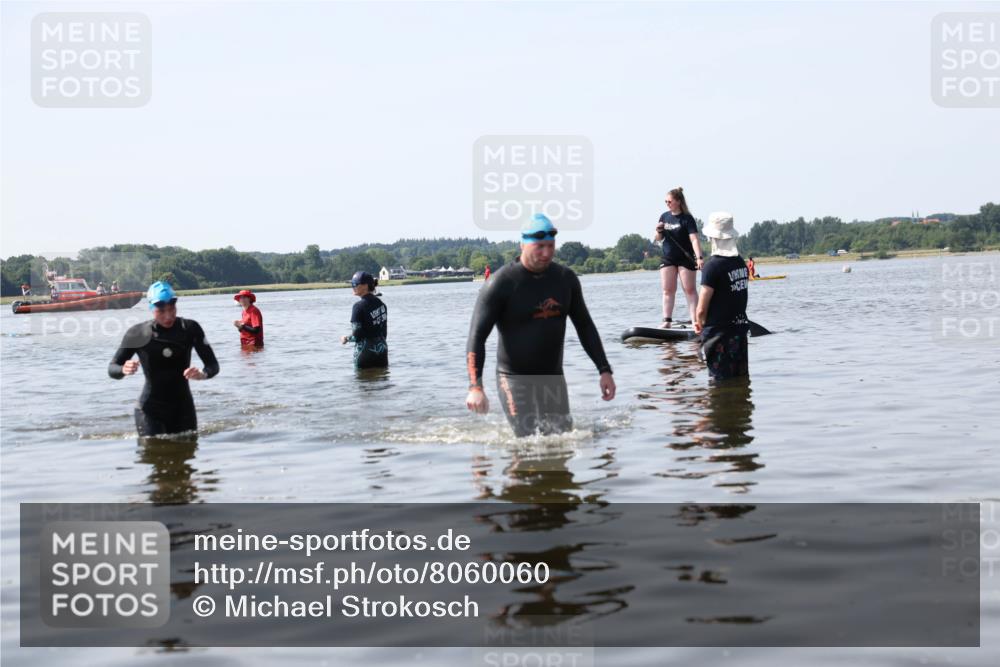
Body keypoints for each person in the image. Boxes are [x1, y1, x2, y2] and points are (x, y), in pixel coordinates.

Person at [465, 213, 616, 437]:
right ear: (523, 245)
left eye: (551, 246)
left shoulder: (565, 279)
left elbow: (585, 326)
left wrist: (604, 370)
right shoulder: (501, 283)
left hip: (552, 377)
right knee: (525, 439)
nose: (546, 253)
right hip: (512, 378)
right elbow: (477, 336)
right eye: (539, 247)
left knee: (562, 439)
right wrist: (476, 387)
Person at [108, 281, 219, 437]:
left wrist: (202, 374)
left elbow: (213, 365)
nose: (168, 316)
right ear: (151, 308)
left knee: (188, 450)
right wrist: (123, 369)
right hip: (149, 410)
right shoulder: (138, 333)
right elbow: (112, 368)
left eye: (172, 308)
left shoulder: (190, 328)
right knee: (154, 448)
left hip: (183, 409)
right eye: (161, 311)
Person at [693, 212, 750, 381]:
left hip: (718, 337)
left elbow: (701, 308)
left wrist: (699, 323)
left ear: (713, 238)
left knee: (719, 384)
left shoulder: (712, 266)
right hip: (739, 333)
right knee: (741, 381)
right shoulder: (740, 263)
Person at [654, 187, 703, 328]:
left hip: (685, 258)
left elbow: (694, 239)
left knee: (689, 290)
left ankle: (695, 321)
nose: (667, 204)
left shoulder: (687, 218)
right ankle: (667, 321)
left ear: (678, 201)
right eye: (665, 201)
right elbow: (658, 238)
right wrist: (658, 230)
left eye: (669, 201)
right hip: (668, 257)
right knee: (668, 290)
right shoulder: (664, 216)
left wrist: (699, 257)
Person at [340, 271, 388, 368]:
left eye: (355, 284)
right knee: (382, 376)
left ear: (365, 286)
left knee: (362, 378)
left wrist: (345, 339)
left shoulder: (358, 307)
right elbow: (384, 333)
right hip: (382, 351)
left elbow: (356, 336)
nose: (352, 287)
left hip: (364, 353)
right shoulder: (382, 304)